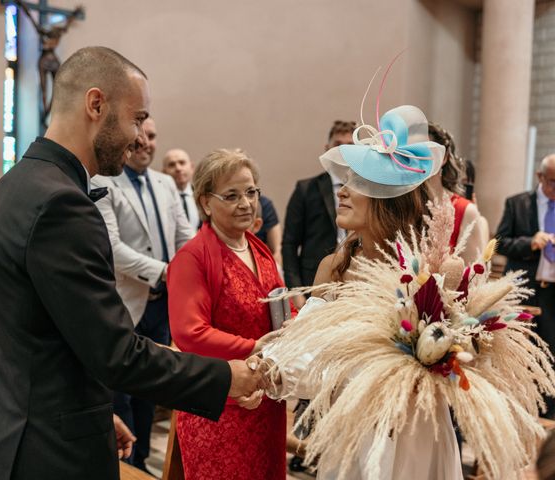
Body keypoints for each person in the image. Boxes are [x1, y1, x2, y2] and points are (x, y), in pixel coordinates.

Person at [0, 46, 260, 480]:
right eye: (137, 118)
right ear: (96, 104)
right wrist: (225, 377)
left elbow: (47, 337)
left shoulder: (13, 187)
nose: (141, 138)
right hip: (50, 455)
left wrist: (99, 411)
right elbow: (117, 353)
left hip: (7, 435)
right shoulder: (62, 204)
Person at [262, 105, 462, 479]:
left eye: (357, 183)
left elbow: (461, 362)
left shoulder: (436, 271)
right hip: (351, 431)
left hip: (412, 435)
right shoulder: (334, 266)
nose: (342, 192)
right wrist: (268, 366)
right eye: (345, 180)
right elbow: (305, 347)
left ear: (389, 198)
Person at [168, 148, 289, 480]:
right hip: (219, 411)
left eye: (251, 192)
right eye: (232, 195)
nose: (246, 203)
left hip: (265, 403)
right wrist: (254, 349)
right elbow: (189, 333)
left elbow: (280, 305)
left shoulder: (258, 248)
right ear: (206, 202)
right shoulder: (193, 258)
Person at [91, 117, 194, 473]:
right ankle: (124, 466)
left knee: (153, 389)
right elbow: (113, 248)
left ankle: (144, 462)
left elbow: (185, 238)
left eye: (151, 136)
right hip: (126, 302)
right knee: (122, 394)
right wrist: (165, 271)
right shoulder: (104, 182)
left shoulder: (166, 184)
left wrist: (185, 272)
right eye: (139, 135)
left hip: (164, 305)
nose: (144, 142)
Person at [497, 154, 555, 416]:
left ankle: (547, 421)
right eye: (553, 181)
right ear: (540, 177)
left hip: (553, 295)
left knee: (550, 359)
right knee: (519, 356)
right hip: (524, 293)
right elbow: (499, 242)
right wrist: (530, 243)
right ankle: (514, 412)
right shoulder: (518, 204)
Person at [282, 120, 356, 309]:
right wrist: (296, 292)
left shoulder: (364, 193)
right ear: (327, 148)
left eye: (350, 146)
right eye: (338, 145)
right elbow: (290, 244)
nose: (343, 151)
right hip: (312, 281)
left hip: (352, 283)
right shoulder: (306, 189)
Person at [427, 122, 486, 262]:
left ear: (444, 157)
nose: (418, 158)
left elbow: (474, 277)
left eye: (427, 151)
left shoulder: (464, 211)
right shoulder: (399, 206)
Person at [162, 148, 201, 232]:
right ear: (164, 172)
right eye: (172, 165)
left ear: (192, 168)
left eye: (182, 163)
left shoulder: (203, 196)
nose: (178, 168)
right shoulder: (160, 199)